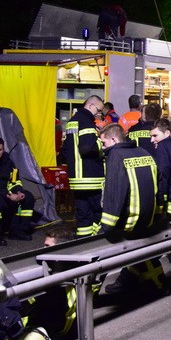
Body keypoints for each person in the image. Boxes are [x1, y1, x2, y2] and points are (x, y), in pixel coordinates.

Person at [98, 123, 167, 293]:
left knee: (100, 257)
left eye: (104, 143)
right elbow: (160, 185)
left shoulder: (116, 155)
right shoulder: (144, 153)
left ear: (114, 139)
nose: (103, 148)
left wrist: (106, 228)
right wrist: (158, 214)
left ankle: (88, 297)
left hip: (129, 224)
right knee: (143, 256)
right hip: (148, 221)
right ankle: (158, 284)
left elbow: (115, 192)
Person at [60, 95, 105, 238]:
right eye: (98, 111)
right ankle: (96, 240)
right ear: (91, 105)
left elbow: (65, 150)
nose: (98, 115)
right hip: (90, 177)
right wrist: (100, 146)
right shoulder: (86, 122)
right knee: (97, 210)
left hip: (76, 178)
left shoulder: (72, 122)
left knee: (82, 212)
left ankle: (83, 240)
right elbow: (86, 148)